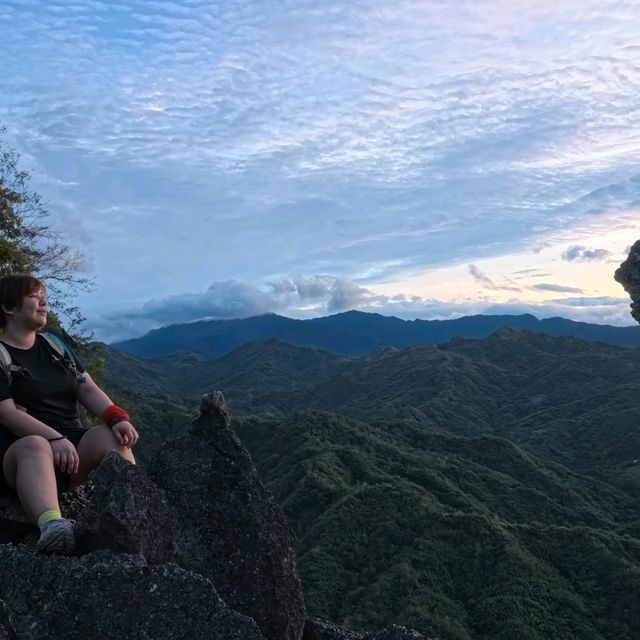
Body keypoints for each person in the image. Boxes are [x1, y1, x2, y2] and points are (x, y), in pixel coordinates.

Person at [0, 273, 139, 554]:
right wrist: (54, 438)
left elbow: (86, 389)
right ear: (9, 307)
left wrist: (115, 417)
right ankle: (53, 525)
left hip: (72, 455)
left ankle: (138, 506)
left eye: (45, 299)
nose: (43, 304)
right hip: (23, 457)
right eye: (34, 297)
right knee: (35, 444)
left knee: (110, 437)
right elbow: (7, 413)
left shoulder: (55, 346)